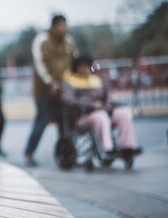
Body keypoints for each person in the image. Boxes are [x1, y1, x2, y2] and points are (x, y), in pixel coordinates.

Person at [61, 55, 139, 155]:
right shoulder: (70, 82)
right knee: (100, 117)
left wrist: (109, 102)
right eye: (82, 66)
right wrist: (92, 105)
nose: (85, 69)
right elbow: (68, 101)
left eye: (87, 66)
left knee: (124, 113)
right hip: (83, 116)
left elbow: (106, 97)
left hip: (103, 111)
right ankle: (107, 149)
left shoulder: (96, 81)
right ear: (76, 68)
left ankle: (127, 147)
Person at [24, 15, 75, 167]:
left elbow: (73, 63)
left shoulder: (69, 42)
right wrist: (50, 82)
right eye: (61, 26)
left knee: (64, 122)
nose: (65, 29)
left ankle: (65, 153)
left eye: (66, 25)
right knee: (42, 121)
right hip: (44, 92)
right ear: (53, 26)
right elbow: (39, 64)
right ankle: (29, 152)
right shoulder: (42, 40)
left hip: (63, 91)